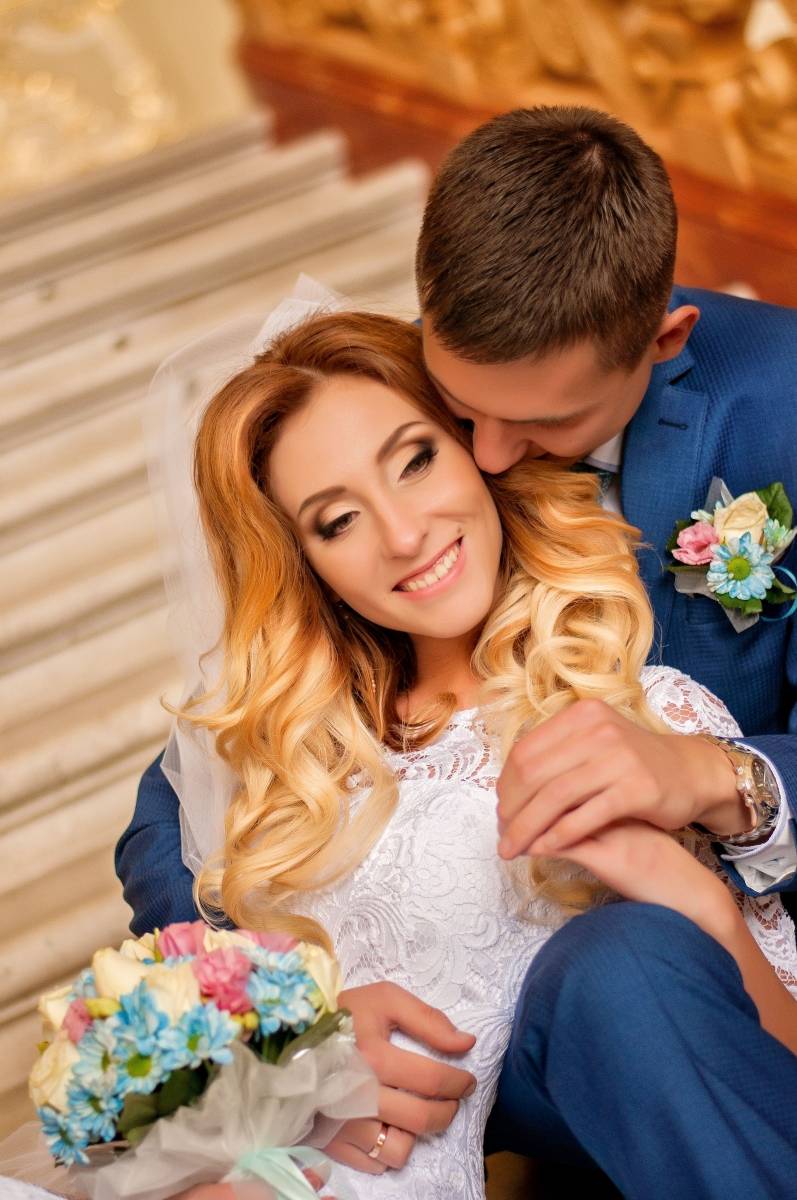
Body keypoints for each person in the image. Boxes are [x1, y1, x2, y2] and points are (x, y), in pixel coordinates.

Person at [116, 106, 797, 1186]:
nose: (488, 457)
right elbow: (176, 809)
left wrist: (717, 782)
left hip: (659, 989)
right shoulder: (388, 401)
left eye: (537, 427)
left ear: (662, 342)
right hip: (411, 1093)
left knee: (621, 970)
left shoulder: (777, 413)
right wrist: (283, 1013)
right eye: (453, 417)